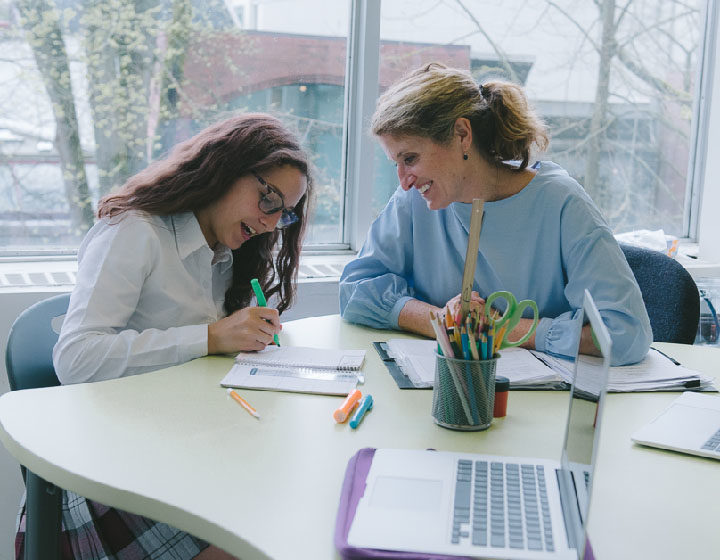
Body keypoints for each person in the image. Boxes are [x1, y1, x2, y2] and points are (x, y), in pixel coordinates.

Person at [16, 114, 312, 559]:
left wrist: (240, 337)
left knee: (289, 503)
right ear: (224, 166)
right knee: (255, 544)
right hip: (106, 465)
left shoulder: (223, 254)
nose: (272, 223)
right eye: (268, 199)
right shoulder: (135, 231)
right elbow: (75, 359)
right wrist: (210, 336)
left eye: (284, 213)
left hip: (173, 444)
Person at [339, 62, 651, 366]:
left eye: (410, 158)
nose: (404, 180)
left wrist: (498, 327)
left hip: (540, 406)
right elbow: (355, 292)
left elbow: (625, 333)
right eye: (396, 163)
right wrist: (442, 320)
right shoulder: (414, 201)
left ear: (462, 134)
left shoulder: (562, 203)